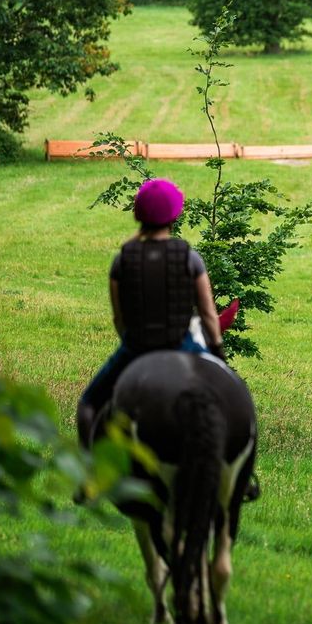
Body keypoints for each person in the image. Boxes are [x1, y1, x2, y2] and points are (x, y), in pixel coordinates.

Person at [77, 178, 225, 447]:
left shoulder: (122, 261)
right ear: (175, 214)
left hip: (136, 348)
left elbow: (119, 320)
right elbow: (208, 315)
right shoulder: (190, 259)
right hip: (183, 345)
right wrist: (217, 351)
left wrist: (133, 340)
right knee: (231, 398)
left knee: (87, 406)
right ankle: (241, 474)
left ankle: (88, 479)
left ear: (138, 214)